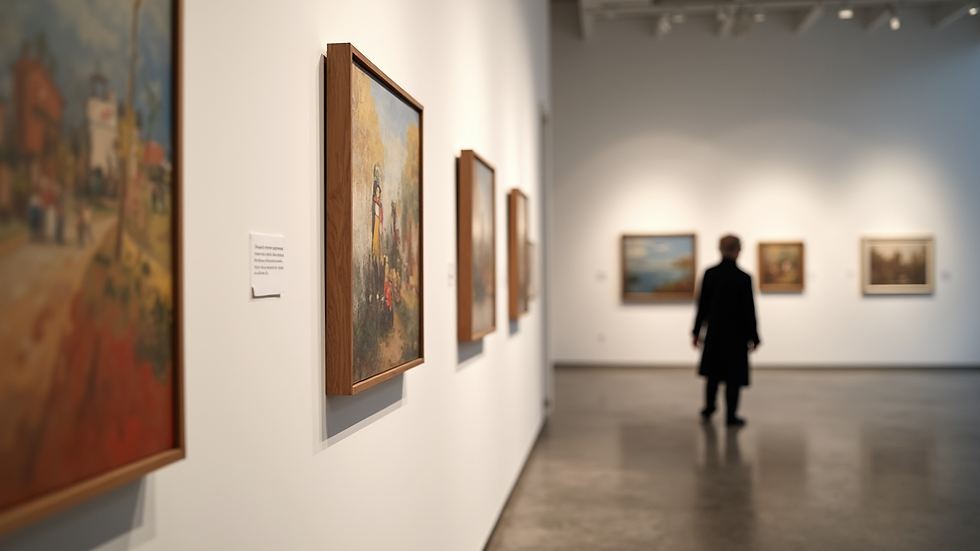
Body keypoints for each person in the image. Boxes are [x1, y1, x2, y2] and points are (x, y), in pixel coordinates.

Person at [692, 235, 760, 427]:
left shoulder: (710, 274)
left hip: (715, 332)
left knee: (712, 374)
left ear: (720, 249)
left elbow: (702, 307)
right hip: (736, 335)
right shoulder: (743, 278)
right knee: (733, 377)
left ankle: (709, 408)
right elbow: (749, 311)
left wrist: (696, 332)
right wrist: (754, 336)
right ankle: (731, 415)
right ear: (738, 250)